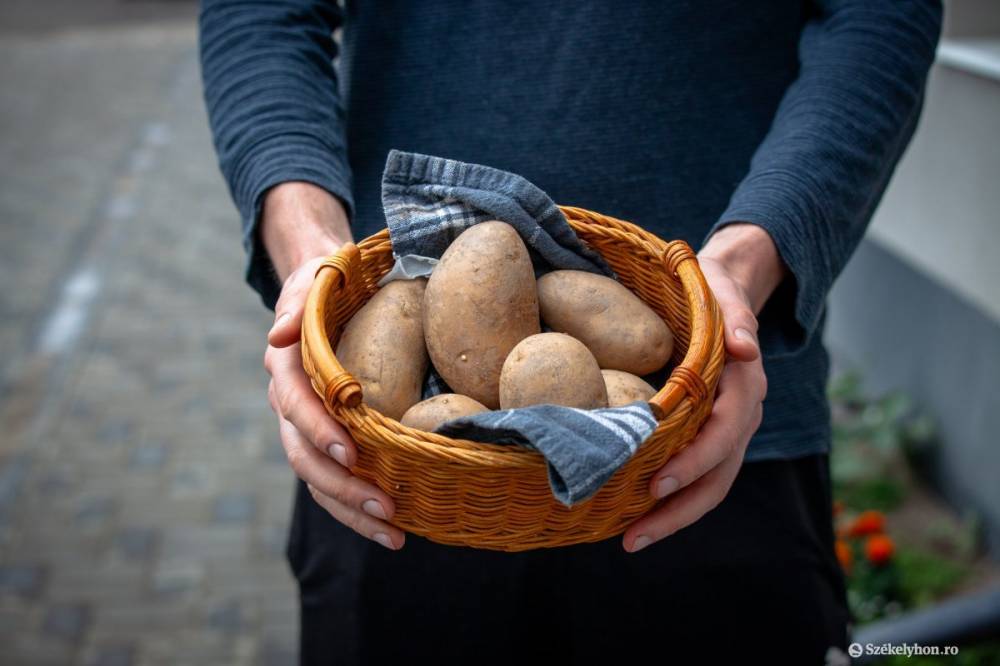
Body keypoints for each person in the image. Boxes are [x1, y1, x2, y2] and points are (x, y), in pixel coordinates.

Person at [199, 1, 941, 663]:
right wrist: (312, 260)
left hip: (705, 427)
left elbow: (878, 16)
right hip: (397, 463)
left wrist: (746, 273)